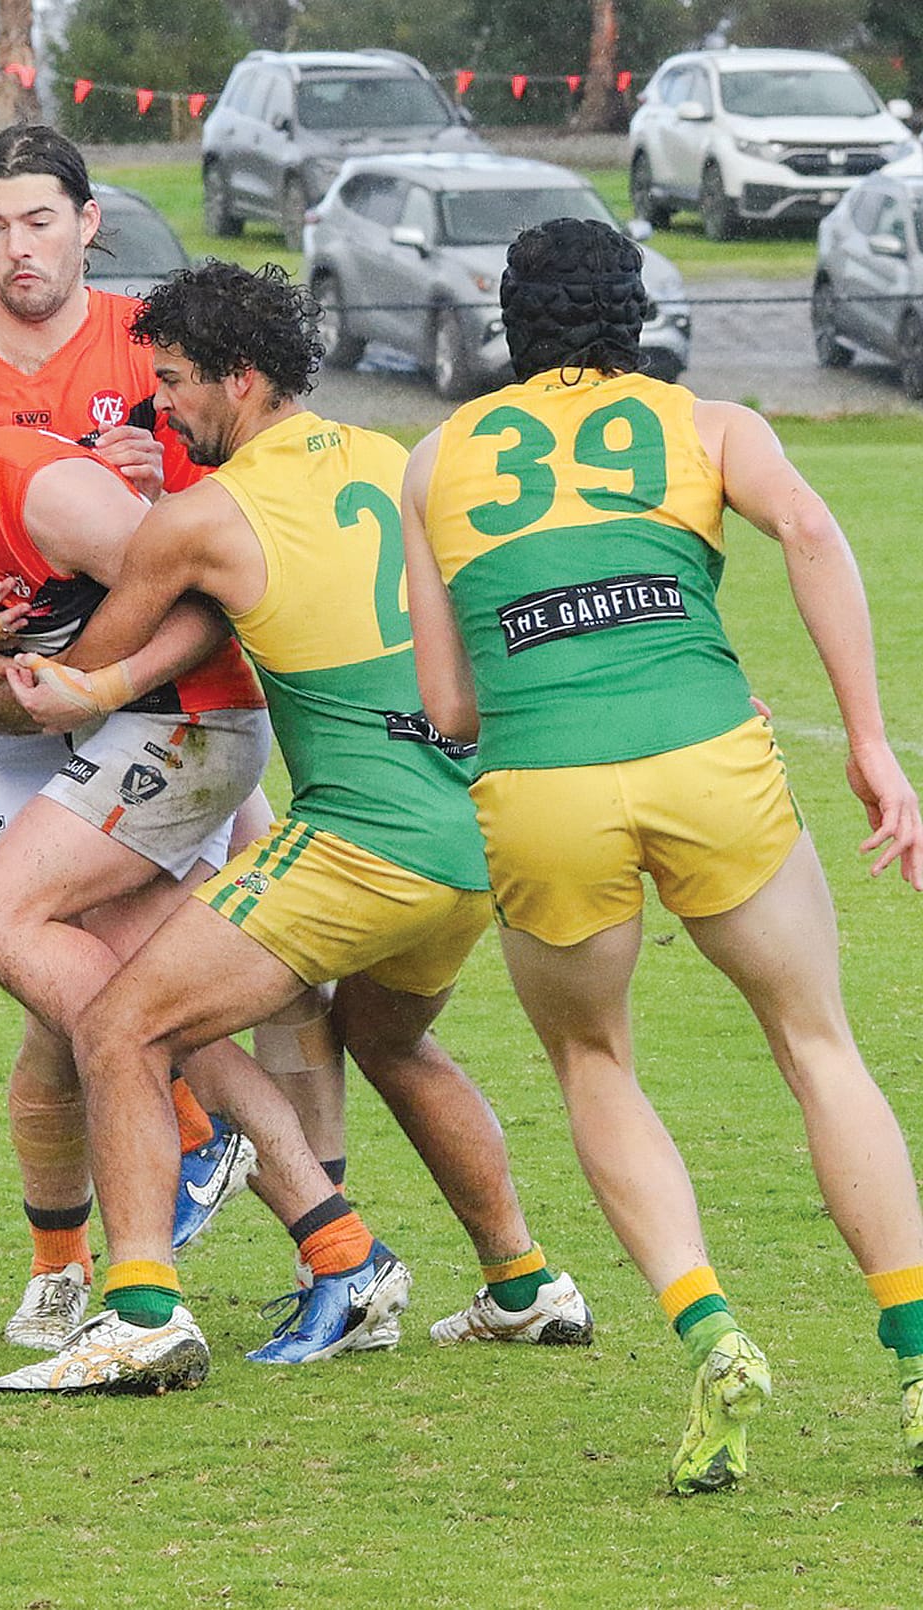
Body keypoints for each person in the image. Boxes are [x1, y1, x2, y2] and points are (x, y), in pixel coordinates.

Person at [0, 261, 591, 1393]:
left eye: (171, 383)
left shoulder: (201, 516)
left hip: (364, 837)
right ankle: (521, 1284)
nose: (159, 407)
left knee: (120, 1027)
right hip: (470, 838)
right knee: (387, 1036)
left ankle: (139, 1310)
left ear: (240, 376)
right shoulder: (399, 458)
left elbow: (81, 675)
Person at [401, 216, 923, 1492]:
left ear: (508, 329)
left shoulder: (429, 460)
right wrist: (866, 740)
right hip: (708, 755)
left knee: (591, 1055)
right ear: (633, 315)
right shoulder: (711, 424)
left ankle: (709, 1326)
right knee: (815, 1042)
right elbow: (806, 532)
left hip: (539, 786)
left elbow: (451, 709)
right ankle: (913, 1359)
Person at [0, 349, 345, 1354]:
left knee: (11, 932)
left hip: (182, 728)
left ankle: (185, 1144)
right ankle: (343, 1251)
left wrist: (98, 681)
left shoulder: (51, 496)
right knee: (135, 1000)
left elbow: (210, 599)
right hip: (84, 737)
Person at [0, 124, 344, 1265]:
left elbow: (249, 507)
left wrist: (170, 481)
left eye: (38, 220)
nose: (16, 249)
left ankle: (317, 1233)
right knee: (62, 985)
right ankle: (110, 1243)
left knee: (271, 974)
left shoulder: (156, 349)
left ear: (88, 222)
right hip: (11, 718)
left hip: (172, 697)